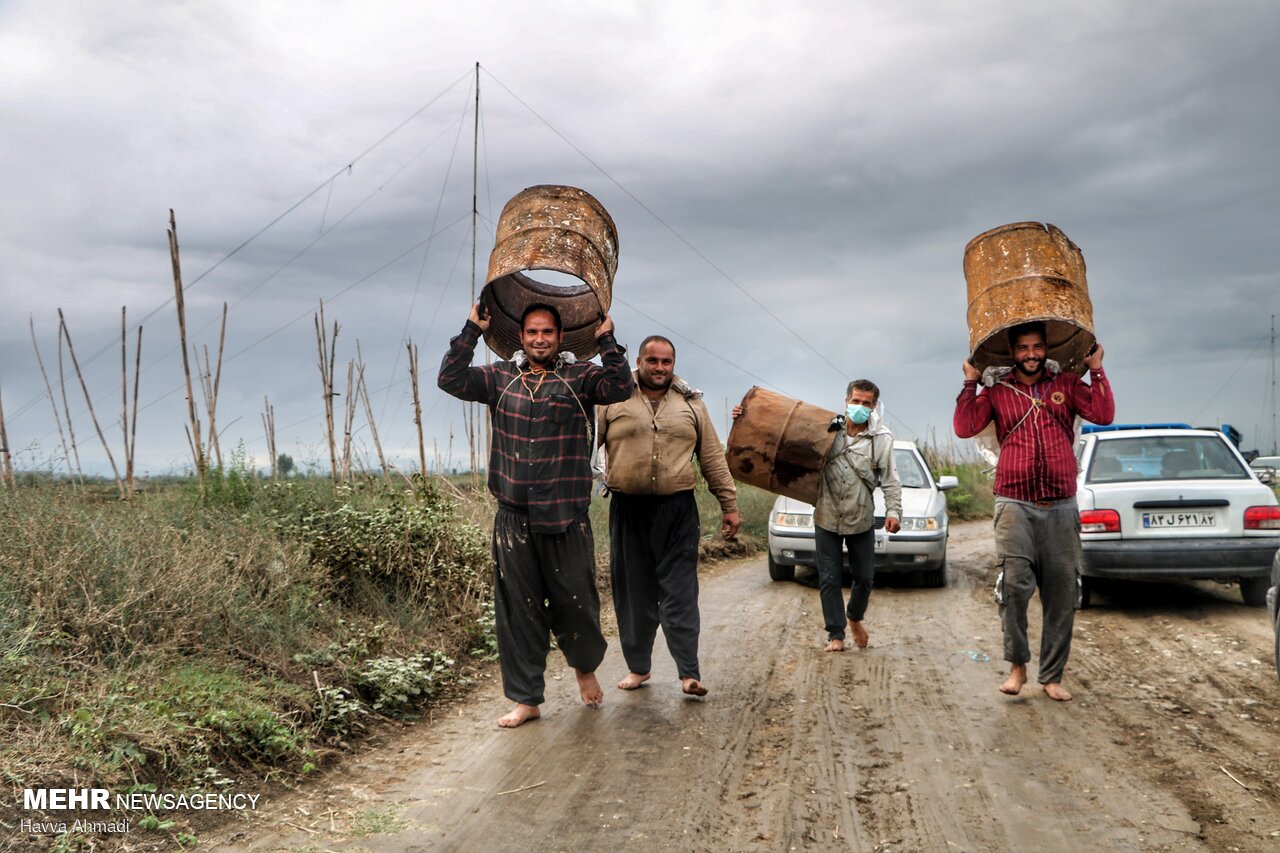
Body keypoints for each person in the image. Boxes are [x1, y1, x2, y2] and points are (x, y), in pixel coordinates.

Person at [439, 301, 633, 727]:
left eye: (547, 332)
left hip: (565, 514)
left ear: (560, 338)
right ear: (521, 338)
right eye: (532, 333)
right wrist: (472, 327)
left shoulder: (581, 377)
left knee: (576, 602)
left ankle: (584, 669)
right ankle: (527, 698)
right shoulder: (500, 378)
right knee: (517, 610)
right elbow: (450, 378)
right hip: (513, 516)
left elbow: (621, 387)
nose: (540, 340)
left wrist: (606, 337)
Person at [953, 321, 1113, 701]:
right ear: (1012, 353)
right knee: (1013, 588)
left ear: (1047, 349)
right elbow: (964, 427)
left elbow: (1103, 414)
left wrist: (1097, 369)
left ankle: (1052, 676)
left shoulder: (1067, 386)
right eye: (1023, 348)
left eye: (1037, 347)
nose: (1030, 354)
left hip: (1060, 505)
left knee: (1061, 594)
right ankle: (1017, 667)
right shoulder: (998, 391)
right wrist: (970, 382)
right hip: (1014, 504)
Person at [597, 335, 739, 697]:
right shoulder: (611, 398)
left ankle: (689, 673)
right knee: (634, 594)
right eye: (652, 361)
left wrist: (729, 505)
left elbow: (711, 458)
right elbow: (584, 446)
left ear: (673, 364)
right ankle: (639, 668)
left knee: (680, 594)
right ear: (640, 362)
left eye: (666, 362)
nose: (659, 368)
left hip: (677, 511)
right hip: (628, 509)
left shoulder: (691, 404)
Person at [733, 379, 901, 652]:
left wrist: (894, 511)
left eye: (866, 403)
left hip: (860, 517)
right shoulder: (826, 428)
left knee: (865, 577)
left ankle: (855, 617)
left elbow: (891, 480)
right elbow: (780, 433)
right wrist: (745, 417)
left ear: (874, 406)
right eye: (855, 401)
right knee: (829, 577)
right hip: (826, 514)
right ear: (846, 401)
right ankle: (835, 634)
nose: (859, 407)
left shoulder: (882, 439)